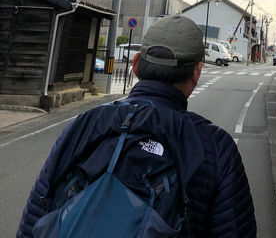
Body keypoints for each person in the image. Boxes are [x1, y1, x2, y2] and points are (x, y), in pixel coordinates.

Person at [17, 15, 257, 238]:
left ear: (135, 64)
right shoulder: (215, 147)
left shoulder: (82, 125)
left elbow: (34, 219)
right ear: (197, 72)